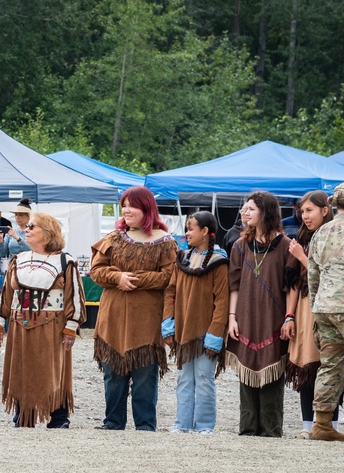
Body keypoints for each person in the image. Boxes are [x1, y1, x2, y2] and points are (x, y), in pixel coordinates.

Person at [90, 186, 176, 431]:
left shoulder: (165, 242)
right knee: (113, 375)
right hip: (113, 317)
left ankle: (145, 426)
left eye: (132, 205)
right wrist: (118, 278)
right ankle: (113, 422)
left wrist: (135, 280)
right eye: (124, 204)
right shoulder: (113, 238)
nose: (126, 210)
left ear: (146, 209)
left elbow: (170, 277)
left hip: (146, 320)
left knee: (144, 377)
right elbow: (96, 271)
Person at [0, 213, 85, 428]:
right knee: (20, 368)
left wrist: (71, 326)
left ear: (47, 232)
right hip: (19, 326)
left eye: (32, 226)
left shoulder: (65, 261)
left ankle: (58, 416)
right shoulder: (18, 260)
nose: (27, 229)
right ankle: (23, 415)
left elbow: (75, 296)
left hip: (51, 326)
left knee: (52, 369)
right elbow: (6, 294)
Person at [306, 181, 344, 442]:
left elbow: (313, 275)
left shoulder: (319, 234)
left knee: (331, 365)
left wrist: (315, 308)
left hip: (324, 308)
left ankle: (321, 424)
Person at [226, 190, 290, 437]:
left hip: (274, 317)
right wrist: (232, 317)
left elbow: (290, 286)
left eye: (251, 208)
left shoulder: (284, 245)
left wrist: (289, 317)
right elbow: (234, 285)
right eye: (245, 207)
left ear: (266, 211)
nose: (245, 211)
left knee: (272, 371)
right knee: (247, 370)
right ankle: (248, 429)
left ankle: (271, 430)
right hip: (245, 316)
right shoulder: (240, 246)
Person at [161, 211, 230, 434]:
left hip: (206, 332)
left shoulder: (218, 263)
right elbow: (170, 293)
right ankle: (181, 424)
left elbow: (222, 302)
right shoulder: (182, 259)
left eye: (191, 228)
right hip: (183, 330)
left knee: (204, 378)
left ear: (206, 233)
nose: (187, 233)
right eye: (187, 228)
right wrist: (168, 323)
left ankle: (204, 425)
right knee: (183, 378)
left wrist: (215, 334)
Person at [282, 191, 340, 438]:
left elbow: (329, 275)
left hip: (329, 309)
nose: (305, 216)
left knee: (331, 366)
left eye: (310, 210)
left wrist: (301, 257)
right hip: (305, 310)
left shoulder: (334, 237)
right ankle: (308, 426)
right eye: (302, 211)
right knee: (306, 366)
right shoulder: (302, 237)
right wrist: (289, 315)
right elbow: (294, 284)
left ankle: (331, 426)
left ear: (325, 210)